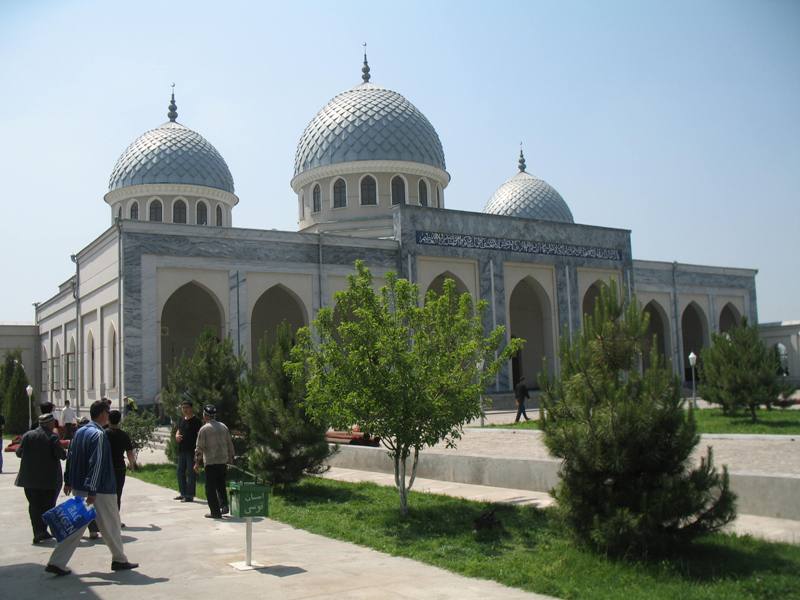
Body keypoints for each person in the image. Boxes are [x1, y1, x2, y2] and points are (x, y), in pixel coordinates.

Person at [45, 400, 138, 577]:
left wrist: (68, 480)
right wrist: (93, 490)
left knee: (77, 527)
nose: (109, 415)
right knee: (111, 524)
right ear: (103, 414)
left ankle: (57, 562)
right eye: (108, 411)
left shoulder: (79, 432)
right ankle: (119, 559)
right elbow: (96, 464)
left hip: (80, 487)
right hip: (99, 490)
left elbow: (70, 456)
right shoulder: (98, 435)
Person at [15, 413, 67, 543]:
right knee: (48, 506)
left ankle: (38, 532)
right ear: (50, 424)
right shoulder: (52, 437)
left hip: (29, 479)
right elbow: (61, 455)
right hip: (48, 481)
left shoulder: (28, 435)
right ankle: (42, 531)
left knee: (34, 506)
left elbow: (18, 453)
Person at [194, 404, 234, 519]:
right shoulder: (223, 426)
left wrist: (197, 463)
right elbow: (230, 444)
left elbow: (199, 448)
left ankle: (215, 512)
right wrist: (231, 459)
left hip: (211, 462)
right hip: (223, 461)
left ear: (205, 415)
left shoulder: (204, 429)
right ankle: (224, 506)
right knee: (221, 484)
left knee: (210, 488)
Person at [106, 409, 136, 521]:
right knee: (117, 494)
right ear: (120, 420)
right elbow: (129, 452)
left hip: (107, 468)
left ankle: (105, 519)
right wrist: (132, 465)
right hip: (119, 467)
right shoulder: (124, 435)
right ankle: (115, 519)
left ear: (108, 419)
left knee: (106, 494)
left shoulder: (104, 433)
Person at [175, 395, 202, 502]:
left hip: (192, 451)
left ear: (191, 408)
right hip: (182, 450)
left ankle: (190, 495)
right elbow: (178, 429)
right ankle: (183, 493)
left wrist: (198, 452)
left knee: (191, 473)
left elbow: (200, 436)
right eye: (183, 408)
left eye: (186, 407)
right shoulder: (182, 420)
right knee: (180, 471)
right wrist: (176, 436)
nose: (184, 410)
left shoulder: (196, 421)